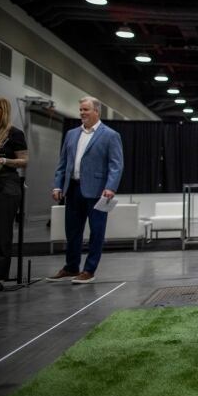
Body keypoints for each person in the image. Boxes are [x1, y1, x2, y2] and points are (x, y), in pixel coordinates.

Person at [47, 97, 124, 284]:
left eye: (86, 110)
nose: (82, 113)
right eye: (80, 109)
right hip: (72, 189)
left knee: (96, 231)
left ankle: (89, 270)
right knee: (72, 230)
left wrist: (110, 187)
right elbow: (62, 163)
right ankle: (71, 267)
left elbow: (116, 165)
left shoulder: (110, 135)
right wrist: (58, 185)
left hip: (98, 191)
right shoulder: (71, 134)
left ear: (97, 111)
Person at [0, 97, 28, 293]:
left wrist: (3, 160)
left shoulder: (14, 134)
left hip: (5, 184)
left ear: (2, 110)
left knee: (0, 230)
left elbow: (24, 161)